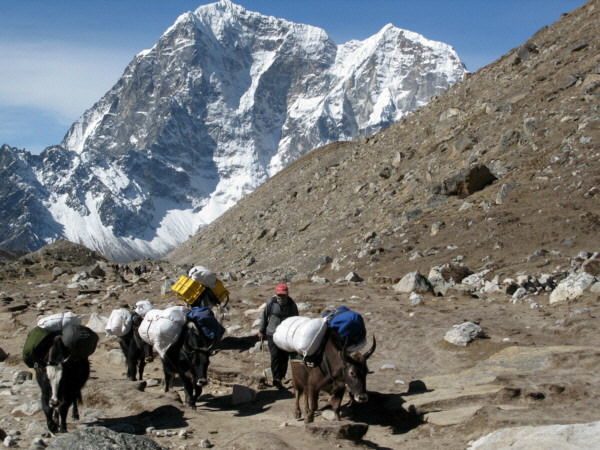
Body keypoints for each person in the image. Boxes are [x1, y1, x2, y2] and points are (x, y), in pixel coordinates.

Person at [258, 284, 299, 389]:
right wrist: (261, 331)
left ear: (287, 294)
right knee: (275, 355)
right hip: (272, 333)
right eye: (279, 295)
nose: (281, 297)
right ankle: (276, 379)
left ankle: (282, 377)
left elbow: (296, 319)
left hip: (285, 334)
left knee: (284, 356)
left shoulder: (291, 304)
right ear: (276, 294)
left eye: (283, 295)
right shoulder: (271, 303)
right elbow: (264, 316)